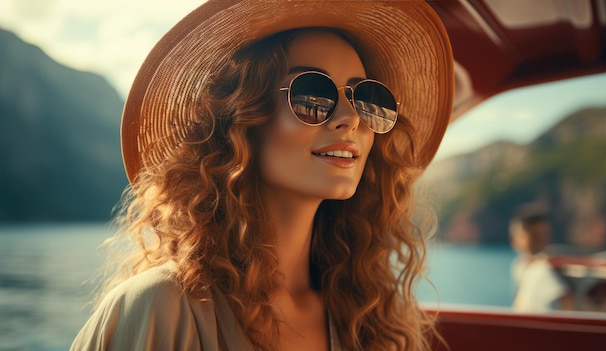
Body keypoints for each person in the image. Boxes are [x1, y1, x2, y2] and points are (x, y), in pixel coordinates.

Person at [70, 1, 454, 350]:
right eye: (312, 94)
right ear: (240, 119)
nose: (350, 118)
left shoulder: (373, 319)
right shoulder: (161, 307)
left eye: (365, 99)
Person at [509, 205, 573, 312]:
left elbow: (566, 300)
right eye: (534, 235)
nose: (541, 239)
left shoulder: (543, 267)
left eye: (543, 234)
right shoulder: (520, 264)